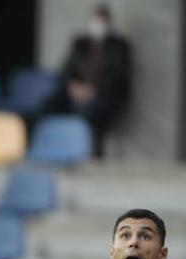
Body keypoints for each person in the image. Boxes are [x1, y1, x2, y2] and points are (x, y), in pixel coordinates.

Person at [45, 3, 131, 157]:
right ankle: (47, 144)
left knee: (88, 109)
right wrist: (72, 87)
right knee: (49, 104)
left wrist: (93, 91)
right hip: (76, 91)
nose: (97, 25)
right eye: (95, 20)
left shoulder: (119, 46)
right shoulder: (80, 43)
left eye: (101, 21)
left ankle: (88, 152)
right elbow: (65, 71)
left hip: (104, 95)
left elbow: (119, 77)